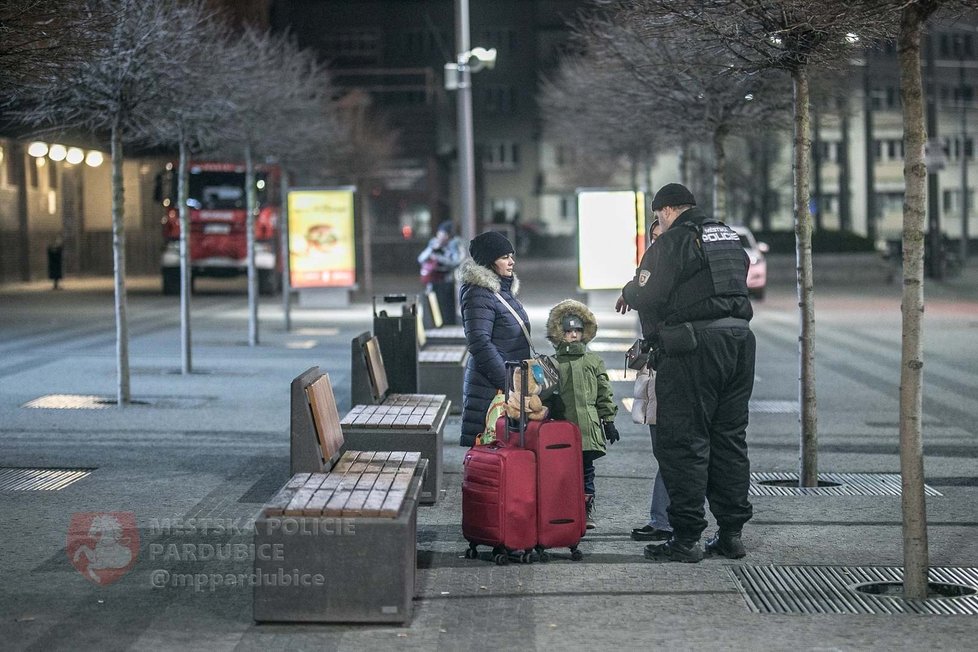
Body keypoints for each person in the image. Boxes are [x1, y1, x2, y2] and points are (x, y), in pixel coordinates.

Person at [626, 183, 755, 563]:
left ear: (665, 211)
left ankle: (685, 538)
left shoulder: (673, 241)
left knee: (684, 440)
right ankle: (731, 535)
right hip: (739, 341)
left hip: (693, 348)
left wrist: (629, 290)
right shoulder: (726, 237)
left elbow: (647, 294)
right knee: (729, 440)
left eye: (657, 218)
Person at [618, 219, 672, 542]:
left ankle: (666, 519)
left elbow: (645, 292)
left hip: (673, 367)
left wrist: (631, 291)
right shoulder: (651, 271)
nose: (656, 244)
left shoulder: (673, 271)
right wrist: (630, 290)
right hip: (655, 366)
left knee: (669, 447)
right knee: (662, 447)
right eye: (652, 239)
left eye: (661, 238)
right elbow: (641, 290)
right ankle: (663, 518)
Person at [545, 299, 619, 529]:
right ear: (560, 333)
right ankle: (566, 509)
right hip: (562, 428)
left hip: (587, 428)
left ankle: (584, 511)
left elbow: (604, 393)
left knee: (586, 471)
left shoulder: (593, 361)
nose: (574, 335)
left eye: (577, 330)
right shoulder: (553, 363)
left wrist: (608, 421)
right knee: (564, 472)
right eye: (568, 331)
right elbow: (544, 394)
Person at [457, 231, 531, 447]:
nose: (511, 262)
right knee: (491, 450)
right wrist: (507, 382)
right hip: (491, 388)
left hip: (504, 383)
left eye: (511, 256)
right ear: (490, 262)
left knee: (504, 453)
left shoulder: (500, 291)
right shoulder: (479, 293)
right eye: (504, 257)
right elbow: (479, 342)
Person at [417, 221, 465, 325]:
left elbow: (455, 262)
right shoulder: (434, 242)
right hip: (434, 279)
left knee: (448, 306)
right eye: (439, 234)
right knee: (432, 301)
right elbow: (421, 259)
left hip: (448, 280)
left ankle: (449, 322)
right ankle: (434, 321)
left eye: (443, 234)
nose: (440, 236)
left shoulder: (454, 243)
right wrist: (432, 249)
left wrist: (439, 258)